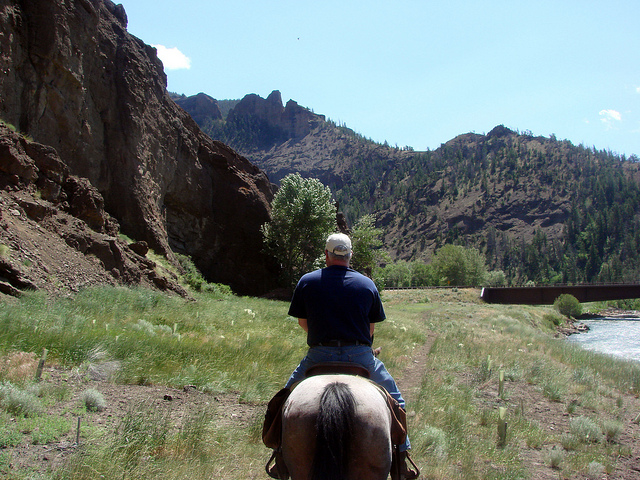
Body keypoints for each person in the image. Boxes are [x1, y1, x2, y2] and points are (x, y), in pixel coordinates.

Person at [267, 233, 418, 480]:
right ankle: (402, 463)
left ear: (326, 254)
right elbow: (370, 330)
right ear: (349, 255)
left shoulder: (307, 281)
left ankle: (278, 456)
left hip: (318, 354)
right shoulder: (367, 284)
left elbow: (303, 323)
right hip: (360, 356)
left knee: (282, 402)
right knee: (397, 402)